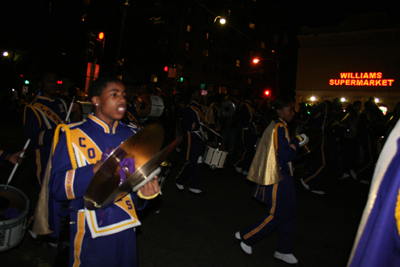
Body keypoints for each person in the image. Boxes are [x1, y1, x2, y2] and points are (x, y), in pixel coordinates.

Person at [49, 77, 160, 266]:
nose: (123, 100)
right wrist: (97, 169)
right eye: (114, 94)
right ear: (96, 100)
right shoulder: (72, 134)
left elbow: (136, 185)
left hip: (127, 228)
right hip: (89, 230)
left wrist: (145, 193)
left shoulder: (133, 135)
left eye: (124, 95)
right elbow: (58, 188)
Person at [234, 96, 308, 265]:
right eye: (290, 109)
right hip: (278, 177)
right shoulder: (279, 127)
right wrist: (297, 142)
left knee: (289, 215)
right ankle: (247, 237)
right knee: (277, 214)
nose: (293, 112)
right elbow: (284, 155)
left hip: (284, 176)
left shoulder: (280, 126)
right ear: (280, 111)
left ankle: (283, 250)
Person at [23, 70, 68, 186]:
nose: (53, 83)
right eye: (48, 81)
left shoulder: (61, 103)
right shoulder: (33, 107)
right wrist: (55, 131)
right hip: (45, 158)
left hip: (63, 155)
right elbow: (32, 139)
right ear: (40, 83)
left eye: (55, 81)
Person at [175, 86, 207, 194]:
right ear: (193, 95)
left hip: (200, 138)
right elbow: (189, 126)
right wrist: (202, 124)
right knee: (192, 161)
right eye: (198, 93)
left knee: (199, 161)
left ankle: (194, 185)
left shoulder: (200, 107)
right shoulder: (189, 108)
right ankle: (179, 180)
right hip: (193, 137)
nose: (200, 95)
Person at [234, 92, 258, 175]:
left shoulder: (251, 105)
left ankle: (246, 168)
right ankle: (239, 164)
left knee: (251, 149)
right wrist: (245, 127)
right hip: (246, 130)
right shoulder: (244, 105)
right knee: (248, 148)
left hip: (251, 130)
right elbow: (243, 117)